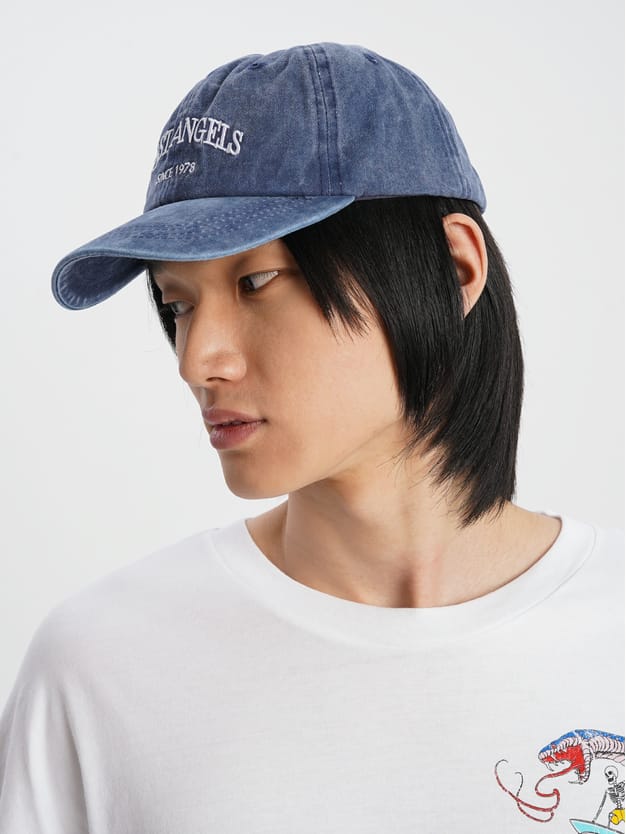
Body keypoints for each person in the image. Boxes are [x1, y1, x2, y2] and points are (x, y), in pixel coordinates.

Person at [0, 42, 622, 832]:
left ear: (455, 268)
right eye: (177, 304)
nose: (198, 360)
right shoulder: (100, 667)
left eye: (256, 282)